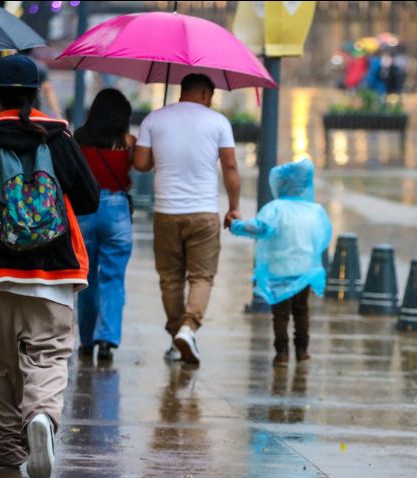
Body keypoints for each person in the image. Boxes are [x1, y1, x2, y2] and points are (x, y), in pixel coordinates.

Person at [0, 54, 99, 478]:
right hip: (57, 273)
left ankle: (10, 446)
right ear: (35, 92)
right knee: (49, 353)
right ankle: (42, 415)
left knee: (1, 363)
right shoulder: (58, 138)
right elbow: (89, 198)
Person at [134, 73, 241, 366]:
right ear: (206, 93)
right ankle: (188, 328)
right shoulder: (218, 122)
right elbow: (230, 165)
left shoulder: (154, 120)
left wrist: (158, 152)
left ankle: (175, 338)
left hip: (166, 212)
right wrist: (234, 207)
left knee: (170, 279)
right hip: (204, 213)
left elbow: (141, 165)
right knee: (201, 277)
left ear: (182, 91)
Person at [230, 159, 332, 367]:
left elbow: (259, 228)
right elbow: (322, 237)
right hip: (305, 270)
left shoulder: (275, 209)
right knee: (302, 310)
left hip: (279, 269)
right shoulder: (314, 211)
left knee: (280, 313)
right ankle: (302, 350)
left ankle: (282, 352)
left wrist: (236, 226)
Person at [74, 89, 136, 362]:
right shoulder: (127, 141)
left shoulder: (79, 138)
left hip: (84, 210)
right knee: (114, 278)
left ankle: (86, 340)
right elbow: (132, 172)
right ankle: (107, 339)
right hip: (117, 211)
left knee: (86, 279)